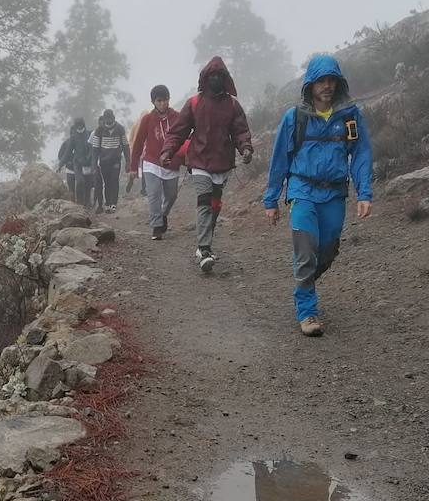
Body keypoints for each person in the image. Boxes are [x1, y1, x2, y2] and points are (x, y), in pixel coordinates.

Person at [261, 54, 374, 336]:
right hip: (302, 191)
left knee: (327, 250)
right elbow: (279, 160)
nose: (327, 86)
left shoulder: (350, 116)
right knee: (306, 249)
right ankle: (307, 312)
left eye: (331, 80)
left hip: (334, 193)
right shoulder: (294, 118)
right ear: (310, 84)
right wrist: (271, 199)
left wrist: (364, 192)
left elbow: (360, 153)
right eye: (321, 81)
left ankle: (306, 281)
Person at [160, 57, 254, 273]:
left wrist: (246, 148)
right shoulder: (194, 103)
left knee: (215, 205)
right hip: (199, 161)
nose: (215, 79)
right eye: (211, 76)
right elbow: (178, 131)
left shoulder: (232, 105)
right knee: (204, 201)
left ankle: (206, 243)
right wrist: (168, 151)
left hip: (222, 162)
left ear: (225, 78)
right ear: (204, 78)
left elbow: (240, 131)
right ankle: (204, 249)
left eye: (219, 76)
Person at [129, 84, 186, 240]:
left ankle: (163, 214)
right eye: (159, 101)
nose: (162, 104)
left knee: (171, 195)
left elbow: (186, 138)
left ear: (169, 100)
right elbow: (138, 143)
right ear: (153, 102)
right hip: (151, 163)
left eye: (165, 100)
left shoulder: (178, 117)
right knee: (153, 194)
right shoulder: (147, 119)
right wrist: (133, 167)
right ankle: (156, 226)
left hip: (171, 163)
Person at [88, 109, 129, 213]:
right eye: (107, 120)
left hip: (115, 160)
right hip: (104, 161)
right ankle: (108, 203)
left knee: (114, 180)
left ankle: (113, 204)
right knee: (107, 182)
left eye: (110, 120)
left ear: (114, 118)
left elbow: (125, 145)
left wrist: (128, 162)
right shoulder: (99, 130)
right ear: (104, 119)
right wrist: (93, 165)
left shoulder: (120, 128)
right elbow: (95, 149)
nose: (109, 122)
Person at [56, 118, 93, 206]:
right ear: (76, 126)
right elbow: (67, 152)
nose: (80, 127)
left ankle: (87, 202)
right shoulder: (73, 138)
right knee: (80, 182)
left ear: (84, 125)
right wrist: (60, 165)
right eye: (78, 126)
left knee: (88, 185)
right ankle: (79, 203)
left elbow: (93, 148)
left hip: (88, 163)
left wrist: (90, 157)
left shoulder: (90, 135)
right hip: (77, 164)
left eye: (81, 125)